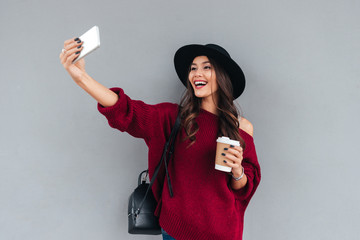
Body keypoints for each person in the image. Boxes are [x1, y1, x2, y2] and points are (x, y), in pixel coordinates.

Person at [60, 39, 261, 240]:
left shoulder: (242, 127)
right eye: (193, 68)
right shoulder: (172, 117)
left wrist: (237, 170)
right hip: (177, 231)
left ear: (223, 76)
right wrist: (82, 78)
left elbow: (245, 187)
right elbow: (127, 110)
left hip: (224, 233)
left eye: (206, 67)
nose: (196, 73)